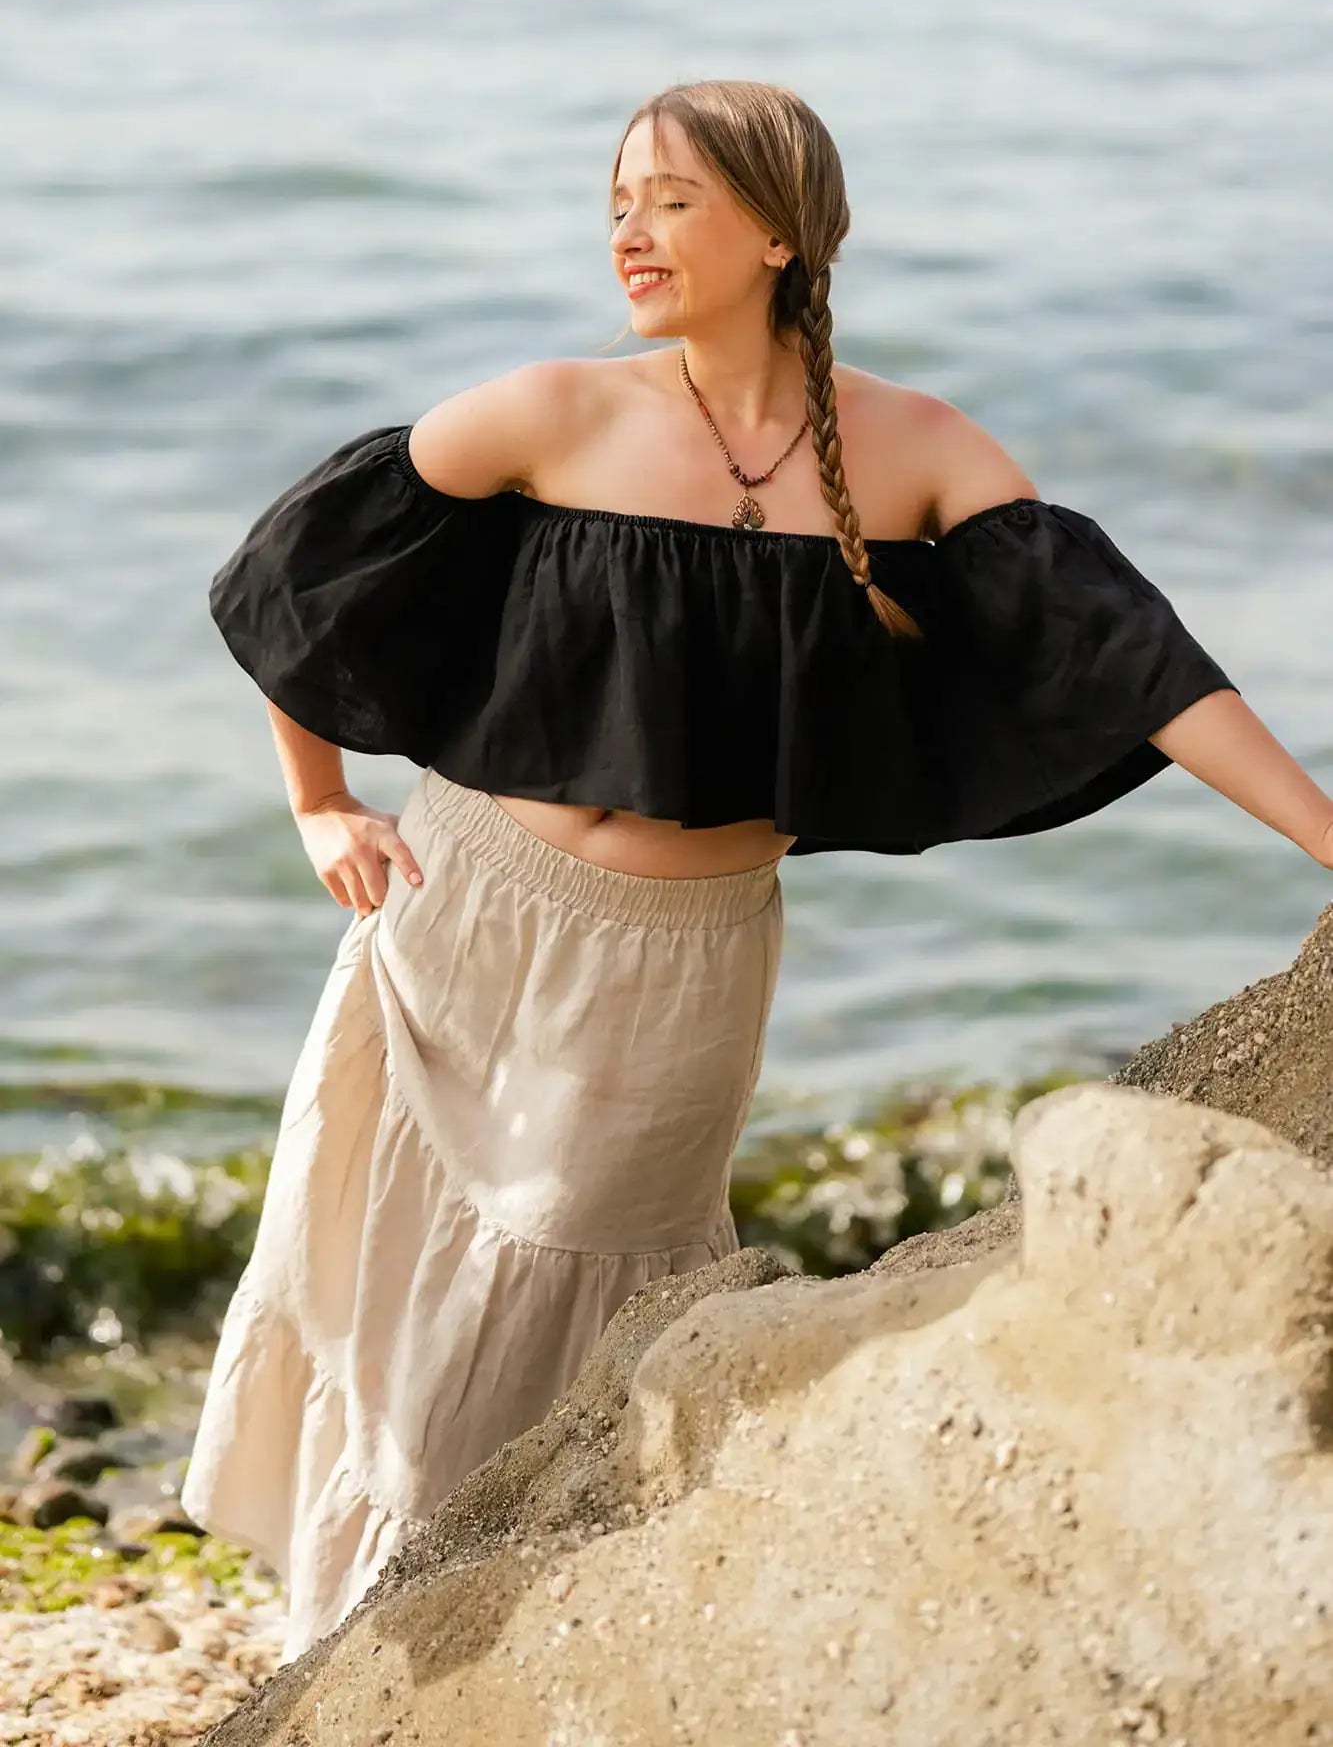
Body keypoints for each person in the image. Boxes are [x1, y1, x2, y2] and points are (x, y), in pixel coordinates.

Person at [180, 80, 1333, 1663]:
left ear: (781, 230)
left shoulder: (920, 451)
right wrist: (319, 804)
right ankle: (371, 1643)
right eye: (615, 204)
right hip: (463, 918)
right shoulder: (553, 411)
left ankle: (494, 1633)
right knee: (409, 1302)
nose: (628, 234)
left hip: (684, 963)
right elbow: (302, 577)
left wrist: (1323, 834)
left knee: (575, 1292)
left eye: (668, 201)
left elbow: (1129, 659)